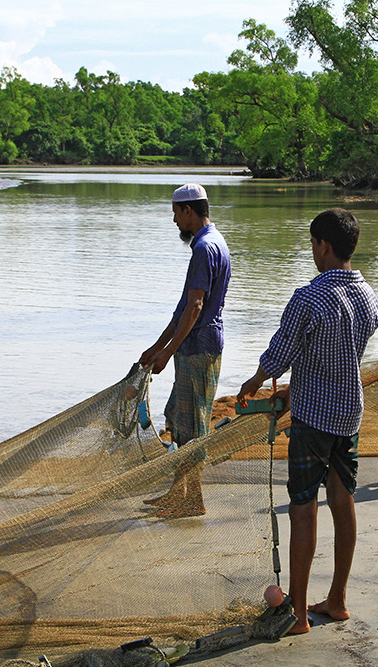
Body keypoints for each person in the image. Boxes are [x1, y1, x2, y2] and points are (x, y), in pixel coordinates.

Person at [237, 208, 378, 635]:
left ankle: (298, 616)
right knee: (343, 499)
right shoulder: (367, 294)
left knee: (303, 509)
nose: (313, 252)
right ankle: (336, 600)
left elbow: (281, 352)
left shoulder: (309, 297)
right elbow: (337, 351)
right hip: (349, 411)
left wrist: (255, 381)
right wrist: (294, 386)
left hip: (313, 418)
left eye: (313, 244)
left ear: (323, 245)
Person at [140, 183, 231, 517]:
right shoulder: (211, 242)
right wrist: (157, 347)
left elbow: (194, 308)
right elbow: (183, 310)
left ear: (189, 211)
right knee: (177, 417)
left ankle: (194, 500)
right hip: (192, 346)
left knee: (193, 427)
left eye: (176, 214)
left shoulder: (205, 248)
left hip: (199, 347)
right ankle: (178, 492)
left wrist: (167, 352)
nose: (175, 221)